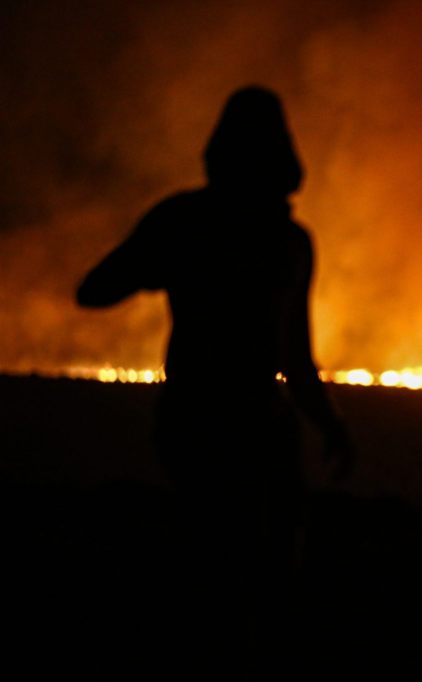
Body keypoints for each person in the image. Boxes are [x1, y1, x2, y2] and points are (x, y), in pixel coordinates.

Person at [76, 86, 351, 662]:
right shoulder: (288, 241)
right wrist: (330, 426)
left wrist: (157, 263)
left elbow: (95, 290)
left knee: (213, 565)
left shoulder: (183, 220)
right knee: (265, 568)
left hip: (195, 420)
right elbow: (295, 357)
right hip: (257, 423)